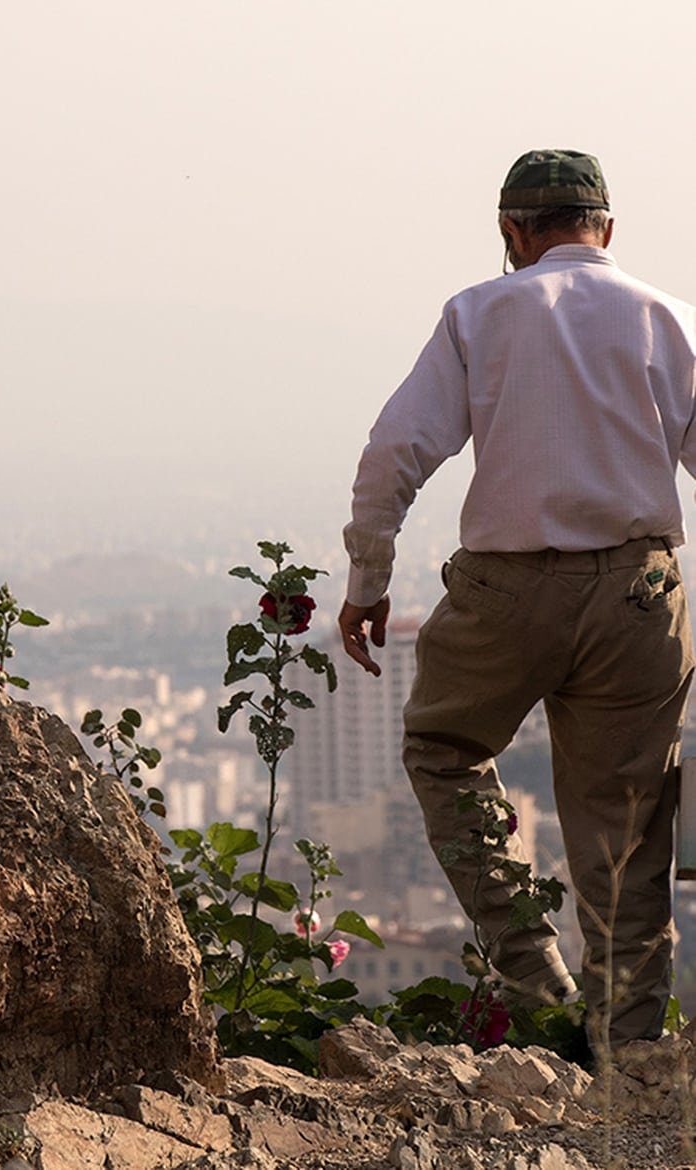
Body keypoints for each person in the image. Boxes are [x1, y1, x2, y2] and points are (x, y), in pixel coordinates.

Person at [338, 148, 696, 1049]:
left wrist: (368, 583)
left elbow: (393, 456)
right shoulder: (668, 318)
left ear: (512, 233)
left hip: (506, 591)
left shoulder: (478, 313)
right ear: (608, 231)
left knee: (443, 749)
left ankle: (536, 982)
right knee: (629, 820)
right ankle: (629, 1047)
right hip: (639, 594)